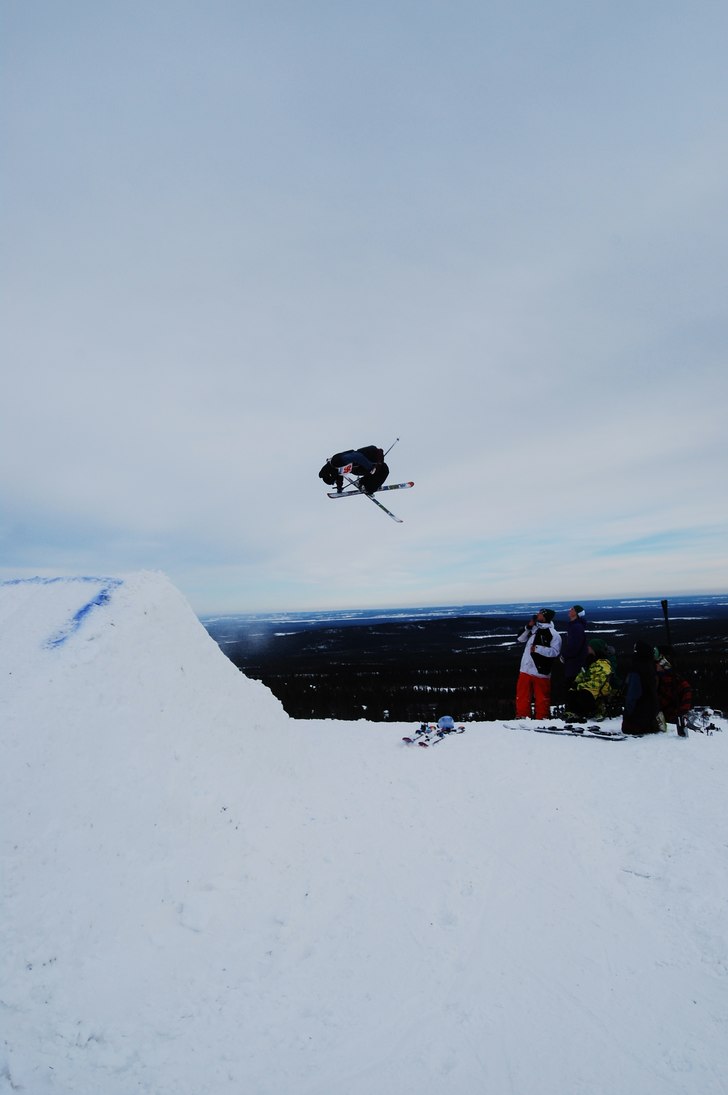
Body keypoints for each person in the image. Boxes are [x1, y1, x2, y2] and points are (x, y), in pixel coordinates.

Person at [515, 608, 562, 720]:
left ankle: (542, 718)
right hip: (525, 668)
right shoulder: (534, 629)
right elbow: (520, 639)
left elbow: (555, 652)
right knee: (522, 695)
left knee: (542, 697)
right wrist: (528, 627)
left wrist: (537, 649)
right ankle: (522, 716)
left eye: (540, 613)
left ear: (545, 617)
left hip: (541, 671)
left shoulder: (554, 634)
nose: (537, 615)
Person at [564, 637, 616, 721]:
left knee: (584, 694)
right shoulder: (590, 662)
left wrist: (580, 685)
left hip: (601, 689)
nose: (588, 650)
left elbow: (598, 682)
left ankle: (597, 710)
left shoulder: (603, 664)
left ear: (595, 649)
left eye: (590, 648)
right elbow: (582, 673)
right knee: (571, 691)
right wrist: (575, 683)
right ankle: (575, 711)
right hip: (589, 687)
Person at [621, 640, 660, 735]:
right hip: (650, 718)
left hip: (636, 722)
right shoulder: (650, 668)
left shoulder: (635, 670)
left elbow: (633, 696)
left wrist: (627, 715)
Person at [318, 446, 389, 495]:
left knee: (383, 470)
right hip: (360, 466)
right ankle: (365, 484)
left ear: (330, 475)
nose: (335, 481)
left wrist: (370, 468)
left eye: (333, 481)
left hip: (369, 455)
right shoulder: (334, 468)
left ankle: (368, 486)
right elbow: (339, 476)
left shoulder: (336, 462)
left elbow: (357, 456)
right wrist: (339, 488)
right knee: (376, 471)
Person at [654, 645, 693, 732]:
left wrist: (680, 714)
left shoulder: (673, 680)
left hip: (670, 720)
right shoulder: (660, 679)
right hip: (665, 719)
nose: (656, 666)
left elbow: (687, 690)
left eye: (658, 663)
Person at [561, 604, 589, 688]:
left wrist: (564, 655)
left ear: (577, 613)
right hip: (573, 663)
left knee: (571, 686)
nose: (569, 610)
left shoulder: (576, 627)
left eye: (572, 609)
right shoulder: (574, 626)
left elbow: (574, 646)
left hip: (575, 664)